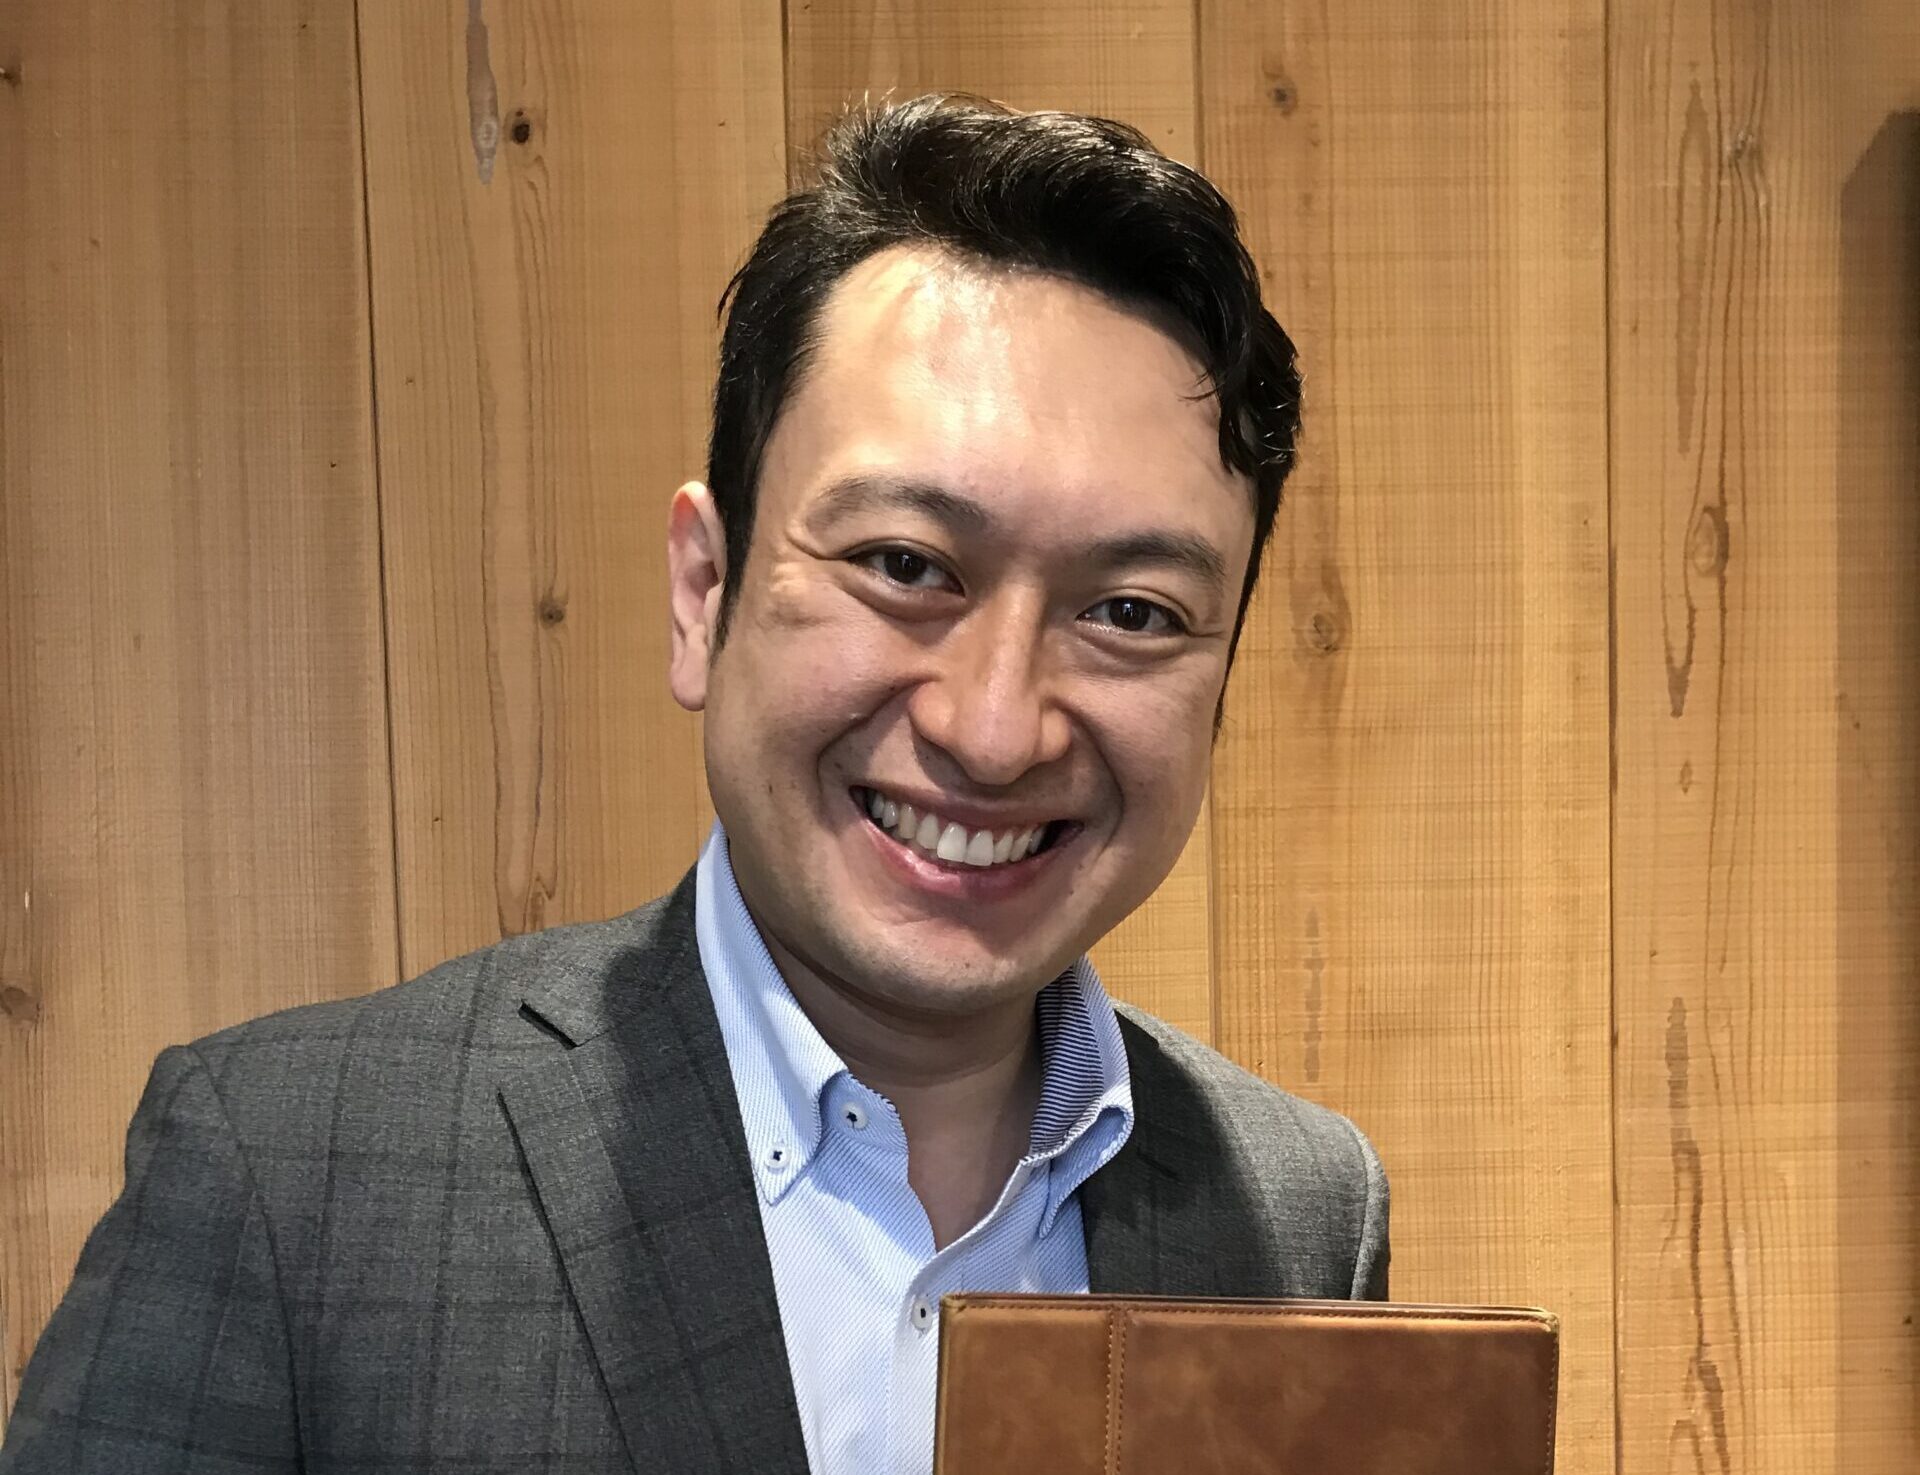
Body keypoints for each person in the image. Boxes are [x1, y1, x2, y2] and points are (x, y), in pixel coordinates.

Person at [0, 94, 1388, 1475]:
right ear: (704, 590)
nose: (994, 728)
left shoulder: (1299, 1215)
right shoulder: (289, 1174)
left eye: (1133, 612)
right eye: (905, 565)